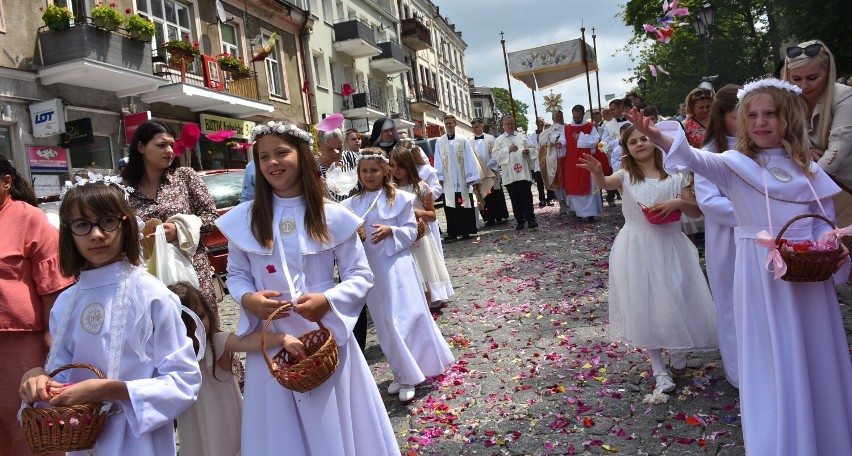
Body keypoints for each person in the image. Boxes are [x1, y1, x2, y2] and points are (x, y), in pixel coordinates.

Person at [624, 78, 852, 454]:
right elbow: (697, 159)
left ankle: (826, 435)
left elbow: (824, 221)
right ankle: (781, 440)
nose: (761, 122)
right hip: (762, 278)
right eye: (753, 115)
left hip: (809, 279)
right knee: (771, 357)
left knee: (816, 354)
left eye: (771, 114)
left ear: (789, 119)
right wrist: (660, 137)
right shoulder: (736, 164)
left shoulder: (809, 170)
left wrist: (835, 249)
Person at [216, 121, 399, 455]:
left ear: (301, 155)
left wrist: (328, 299)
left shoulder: (331, 215)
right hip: (271, 338)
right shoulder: (246, 218)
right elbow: (237, 273)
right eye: (264, 156)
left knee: (328, 418)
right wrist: (248, 298)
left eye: (281, 152)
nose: (273, 162)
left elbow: (360, 275)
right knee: (278, 423)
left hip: (323, 333)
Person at [19, 178, 201, 455]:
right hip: (82, 438)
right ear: (69, 233)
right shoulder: (67, 301)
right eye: (82, 225)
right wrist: (39, 380)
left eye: (106, 221)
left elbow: (183, 380)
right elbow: (62, 373)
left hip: (139, 440)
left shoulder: (151, 295)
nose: (96, 235)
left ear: (125, 224)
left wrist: (113, 390)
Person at [577, 124, 717, 400]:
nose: (640, 144)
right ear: (627, 149)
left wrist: (676, 203)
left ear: (653, 142)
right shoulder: (627, 175)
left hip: (671, 244)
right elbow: (606, 183)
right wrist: (596, 172)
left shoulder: (676, 175)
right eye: (633, 142)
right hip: (638, 246)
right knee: (646, 304)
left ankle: (678, 348)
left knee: (679, 295)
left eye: (644, 139)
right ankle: (658, 369)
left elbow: (696, 210)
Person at [342, 150, 454, 402]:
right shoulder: (351, 205)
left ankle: (410, 375)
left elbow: (412, 230)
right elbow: (342, 233)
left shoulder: (401, 199)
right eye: (364, 171)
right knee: (383, 323)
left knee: (400, 318)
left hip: (397, 266)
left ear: (385, 171)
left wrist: (391, 230)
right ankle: (401, 371)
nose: (369, 175)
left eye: (374, 170)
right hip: (371, 270)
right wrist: (354, 236)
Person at [169, 281, 300, 456]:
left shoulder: (216, 342)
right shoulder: (172, 357)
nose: (197, 325)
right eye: (188, 322)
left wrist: (281, 338)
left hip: (226, 424)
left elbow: (247, 341)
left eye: (201, 316)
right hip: (193, 425)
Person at [0, 156, 75, 456]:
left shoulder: (28, 217)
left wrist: (51, 337)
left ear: (6, 182)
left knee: (28, 422)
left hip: (22, 340)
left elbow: (53, 281)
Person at [122, 120, 220, 310]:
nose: (169, 150)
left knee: (200, 329)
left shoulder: (184, 177)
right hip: (148, 274)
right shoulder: (124, 188)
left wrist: (180, 229)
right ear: (141, 147)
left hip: (191, 270)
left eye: (171, 145)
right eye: (161, 145)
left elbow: (213, 218)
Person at [695, 84, 741, 388]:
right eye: (741, 115)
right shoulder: (711, 152)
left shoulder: (763, 146)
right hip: (729, 239)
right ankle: (739, 371)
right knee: (731, 302)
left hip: (765, 238)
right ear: (722, 115)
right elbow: (708, 201)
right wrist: (754, 214)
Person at [782, 40, 852, 237]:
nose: (804, 85)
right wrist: (801, 152)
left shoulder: (846, 96)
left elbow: (836, 154)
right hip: (819, 192)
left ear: (828, 72)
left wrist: (797, 192)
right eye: (796, 78)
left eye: (813, 77)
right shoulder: (787, 101)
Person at [389, 144, 455, 309]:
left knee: (424, 276)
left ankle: (426, 308)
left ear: (408, 165)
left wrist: (419, 212)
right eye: (392, 166)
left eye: (400, 166)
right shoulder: (391, 189)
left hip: (420, 238)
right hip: (401, 238)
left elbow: (432, 215)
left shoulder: (420, 187)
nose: (396, 170)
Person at [434, 115, 481, 241]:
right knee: (450, 207)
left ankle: (466, 230)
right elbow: (438, 159)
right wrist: (440, 176)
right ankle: (453, 232)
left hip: (462, 179)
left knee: (464, 205)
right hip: (448, 182)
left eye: (451, 123)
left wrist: (470, 176)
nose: (449, 125)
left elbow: (469, 158)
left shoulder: (463, 140)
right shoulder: (440, 142)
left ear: (455, 124)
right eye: (446, 123)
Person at [564, 104, 610, 222]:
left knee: (589, 187)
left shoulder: (590, 126)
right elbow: (563, 142)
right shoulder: (567, 128)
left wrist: (581, 136)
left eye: (579, 118)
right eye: (575, 117)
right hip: (572, 162)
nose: (577, 120)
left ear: (583, 115)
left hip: (587, 160)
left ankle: (590, 214)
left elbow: (595, 141)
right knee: (575, 186)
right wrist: (559, 144)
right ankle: (579, 212)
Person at [492, 115, 539, 230]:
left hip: (523, 173)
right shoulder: (499, 140)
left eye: (512, 123)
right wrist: (507, 149)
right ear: (503, 126)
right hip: (509, 174)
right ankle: (520, 221)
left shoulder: (522, 137)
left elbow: (533, 149)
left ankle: (531, 219)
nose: (510, 126)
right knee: (515, 198)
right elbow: (495, 156)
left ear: (515, 124)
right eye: (507, 124)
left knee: (526, 196)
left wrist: (528, 151)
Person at [470, 119, 509, 224]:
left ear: (482, 126)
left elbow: (495, 155)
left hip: (491, 171)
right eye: (473, 128)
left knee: (496, 193)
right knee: (484, 195)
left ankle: (500, 215)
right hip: (480, 173)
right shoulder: (469, 142)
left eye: (477, 127)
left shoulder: (491, 139)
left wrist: (488, 166)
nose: (475, 129)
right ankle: (489, 218)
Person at [316, 128, 360, 202]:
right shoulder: (312, 166)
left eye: (339, 148)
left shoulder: (351, 158)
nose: (335, 153)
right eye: (330, 149)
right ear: (319, 145)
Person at [538, 110, 568, 214]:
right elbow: (542, 140)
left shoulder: (567, 127)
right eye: (557, 117)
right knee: (558, 183)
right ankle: (562, 204)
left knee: (568, 182)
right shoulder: (550, 130)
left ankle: (572, 204)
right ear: (553, 118)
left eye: (561, 116)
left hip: (567, 158)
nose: (559, 118)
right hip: (555, 159)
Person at [600, 99, 629, 205]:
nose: (611, 112)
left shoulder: (631, 120)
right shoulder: (608, 125)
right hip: (619, 160)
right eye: (610, 110)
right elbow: (603, 145)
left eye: (613, 109)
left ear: (621, 107)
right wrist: (618, 142)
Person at [530, 116, 557, 208]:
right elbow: (533, 147)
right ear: (536, 123)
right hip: (538, 162)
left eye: (542, 121)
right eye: (539, 122)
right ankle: (542, 199)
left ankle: (550, 198)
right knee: (540, 183)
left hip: (547, 160)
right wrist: (538, 141)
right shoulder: (533, 135)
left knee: (548, 180)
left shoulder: (547, 133)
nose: (541, 123)